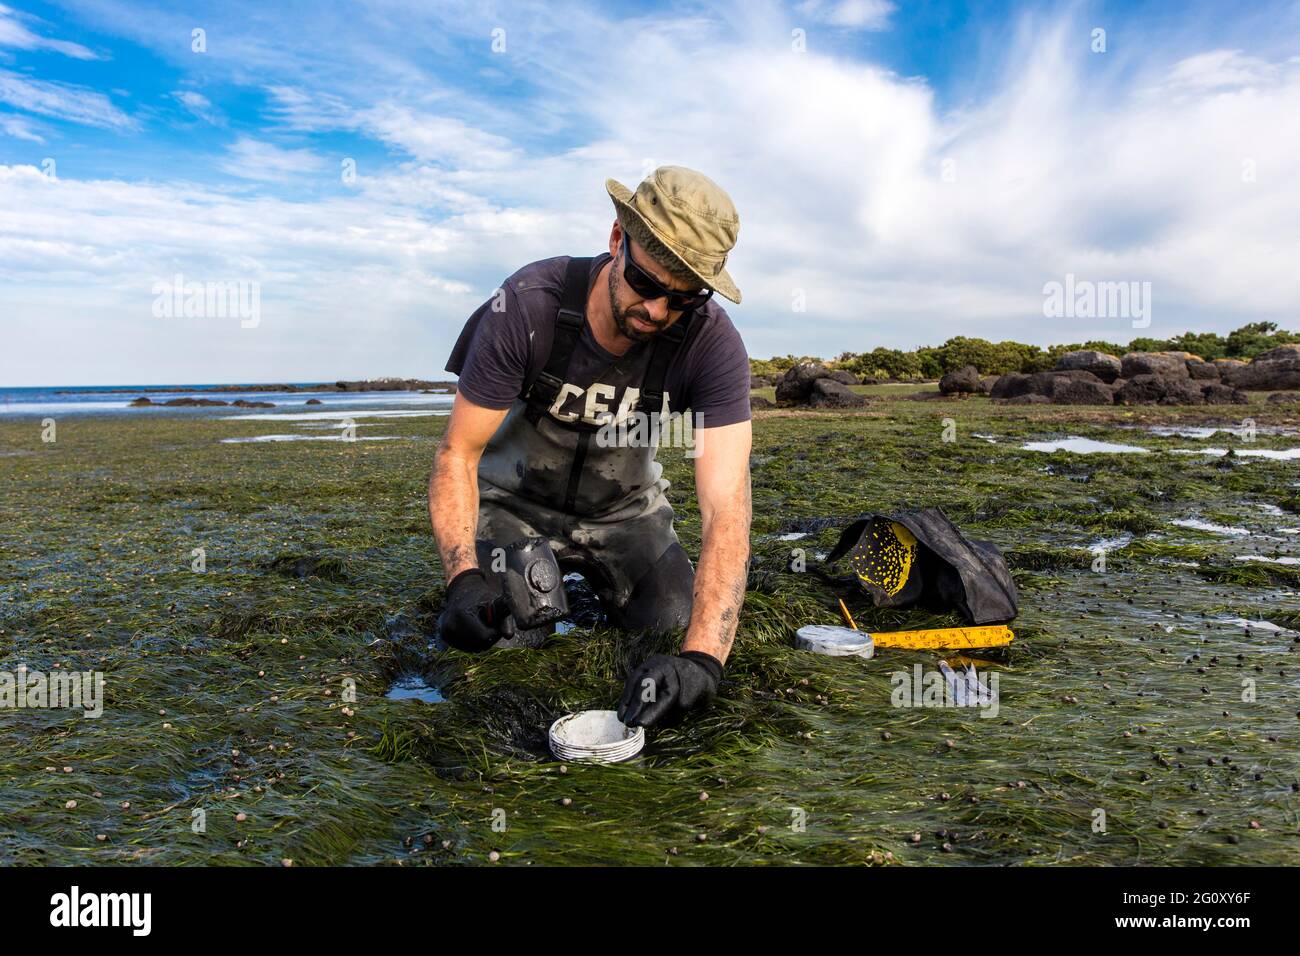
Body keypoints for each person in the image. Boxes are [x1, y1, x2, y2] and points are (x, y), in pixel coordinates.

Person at [430, 165, 752, 728]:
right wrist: (462, 578)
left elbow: (727, 508)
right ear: (615, 240)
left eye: (683, 300)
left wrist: (703, 661)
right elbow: (458, 455)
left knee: (671, 627)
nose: (656, 312)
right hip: (514, 507)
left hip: (628, 516)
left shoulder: (712, 345)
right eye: (647, 284)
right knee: (506, 644)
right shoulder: (529, 305)